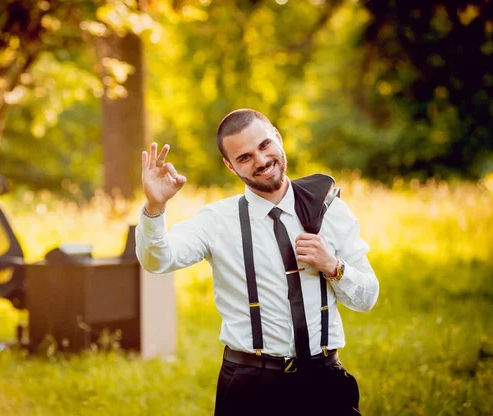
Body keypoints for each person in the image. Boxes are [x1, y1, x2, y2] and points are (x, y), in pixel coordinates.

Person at [135, 109, 379, 415]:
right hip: (251, 385)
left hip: (325, 380)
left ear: (277, 137)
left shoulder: (331, 210)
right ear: (230, 165)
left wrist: (334, 267)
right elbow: (157, 260)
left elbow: (368, 297)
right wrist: (155, 207)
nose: (261, 161)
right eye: (245, 157)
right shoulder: (217, 221)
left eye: (264, 146)